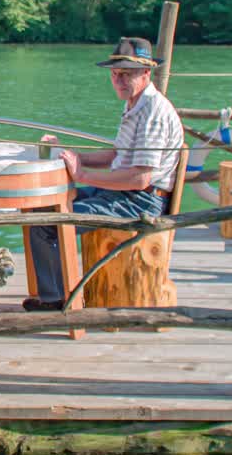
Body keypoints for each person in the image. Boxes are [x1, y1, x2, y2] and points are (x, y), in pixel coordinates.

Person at [24, 37, 183, 312]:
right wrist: (69, 155)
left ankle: (59, 300)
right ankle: (53, 291)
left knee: (48, 221)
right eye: (115, 74)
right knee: (38, 207)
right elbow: (116, 155)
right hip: (124, 194)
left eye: (127, 74)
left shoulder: (154, 112)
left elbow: (140, 178)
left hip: (141, 202)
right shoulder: (137, 103)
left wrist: (82, 174)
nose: (119, 81)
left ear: (146, 73)